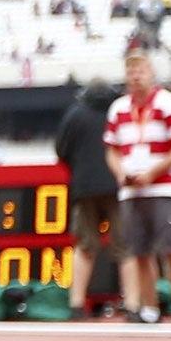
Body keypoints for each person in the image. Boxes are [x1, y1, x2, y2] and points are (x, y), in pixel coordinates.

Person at [104, 48, 171, 323]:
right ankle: (150, 308)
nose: (135, 77)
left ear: (152, 74)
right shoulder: (119, 108)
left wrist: (153, 172)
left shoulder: (168, 103)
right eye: (131, 72)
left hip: (164, 188)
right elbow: (112, 150)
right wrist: (121, 173)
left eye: (140, 71)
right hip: (131, 189)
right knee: (139, 252)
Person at [53, 79, 123, 317]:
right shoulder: (119, 111)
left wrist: (79, 169)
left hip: (85, 187)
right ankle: (135, 303)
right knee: (126, 248)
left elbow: (61, 150)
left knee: (84, 246)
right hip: (118, 185)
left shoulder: (75, 114)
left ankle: (76, 304)